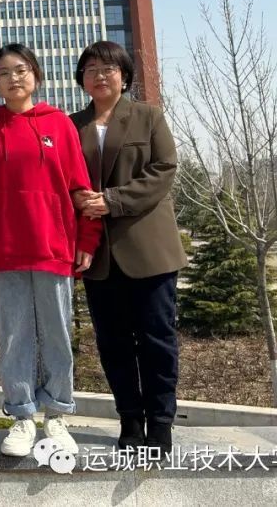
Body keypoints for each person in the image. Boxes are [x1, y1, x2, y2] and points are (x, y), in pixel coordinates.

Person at [0, 43, 101, 458]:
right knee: (13, 336)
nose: (14, 78)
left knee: (56, 333)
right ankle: (22, 415)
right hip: (3, 248)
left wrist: (87, 240)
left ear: (36, 76)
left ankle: (57, 413)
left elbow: (80, 188)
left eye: (22, 69)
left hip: (52, 246)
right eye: (4, 72)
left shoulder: (58, 124)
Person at [70, 41, 187, 453]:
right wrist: (79, 200)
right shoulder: (71, 125)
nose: (100, 75)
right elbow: (61, 178)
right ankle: (130, 420)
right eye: (91, 69)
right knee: (113, 342)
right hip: (97, 254)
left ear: (124, 76)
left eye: (108, 68)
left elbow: (164, 170)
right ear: (81, 79)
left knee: (157, 339)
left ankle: (161, 422)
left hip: (148, 250)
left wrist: (112, 200)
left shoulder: (148, 116)